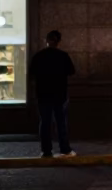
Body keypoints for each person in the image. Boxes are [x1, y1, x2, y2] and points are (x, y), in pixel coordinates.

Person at [28, 30, 76, 159]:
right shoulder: (63, 56)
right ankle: (64, 149)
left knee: (45, 122)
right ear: (59, 42)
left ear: (46, 40)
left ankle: (46, 151)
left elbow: (32, 74)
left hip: (43, 94)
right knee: (61, 122)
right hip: (60, 94)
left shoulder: (39, 56)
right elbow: (71, 71)